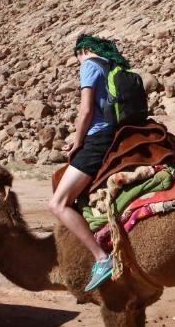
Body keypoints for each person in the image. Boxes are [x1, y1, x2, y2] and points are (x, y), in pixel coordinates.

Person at [48, 34, 128, 292]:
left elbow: (85, 111)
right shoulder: (111, 66)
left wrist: (77, 142)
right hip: (114, 135)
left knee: (57, 204)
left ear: (83, 50)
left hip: (97, 140)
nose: (77, 61)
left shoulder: (89, 65)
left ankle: (101, 258)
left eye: (77, 56)